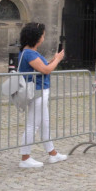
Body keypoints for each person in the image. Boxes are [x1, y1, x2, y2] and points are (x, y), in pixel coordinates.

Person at [16, 22, 67, 168]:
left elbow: (42, 66)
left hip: (40, 91)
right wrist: (57, 60)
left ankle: (52, 153)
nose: (44, 37)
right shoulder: (30, 53)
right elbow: (45, 70)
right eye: (42, 35)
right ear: (36, 37)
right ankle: (25, 157)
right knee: (33, 124)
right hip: (37, 92)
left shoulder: (28, 52)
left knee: (44, 123)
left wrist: (53, 59)